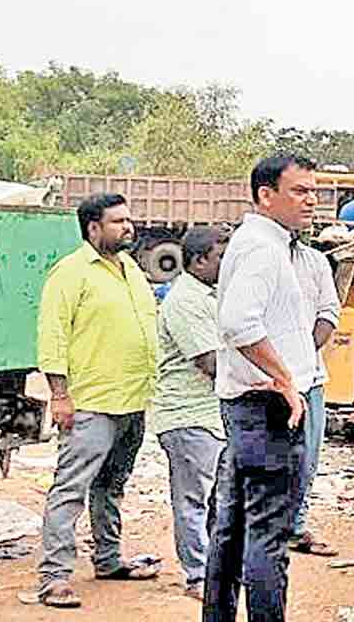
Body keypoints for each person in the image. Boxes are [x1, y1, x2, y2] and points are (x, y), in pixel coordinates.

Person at [33, 193, 162, 609]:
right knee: (70, 489)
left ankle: (108, 560)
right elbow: (53, 335)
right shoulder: (70, 273)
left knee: (111, 486)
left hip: (133, 399)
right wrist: (59, 395)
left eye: (128, 219)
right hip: (91, 402)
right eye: (118, 221)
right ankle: (54, 578)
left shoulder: (131, 269)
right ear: (93, 228)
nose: (129, 227)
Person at [203, 154, 316, 622]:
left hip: (248, 404)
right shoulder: (263, 248)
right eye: (299, 191)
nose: (311, 200)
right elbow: (238, 322)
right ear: (266, 196)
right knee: (269, 536)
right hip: (266, 407)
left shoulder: (260, 243)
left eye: (313, 191)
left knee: (231, 531)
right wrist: (286, 379)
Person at [152, 226, 229, 600]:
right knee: (193, 502)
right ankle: (198, 576)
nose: (227, 264)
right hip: (188, 416)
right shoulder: (185, 300)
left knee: (216, 500)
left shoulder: (208, 296)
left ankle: (214, 572)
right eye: (220, 257)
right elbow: (210, 362)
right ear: (199, 261)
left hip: (209, 416)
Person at [288, 238, 340, 557]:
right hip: (263, 379)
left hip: (311, 379)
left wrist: (305, 352)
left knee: (307, 458)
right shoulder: (253, 253)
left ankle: (295, 526)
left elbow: (329, 312)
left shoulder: (315, 261)